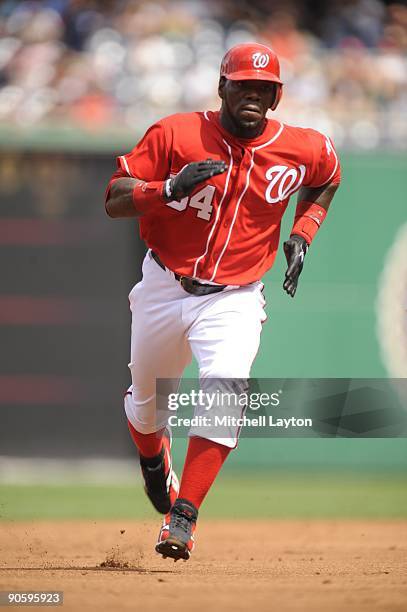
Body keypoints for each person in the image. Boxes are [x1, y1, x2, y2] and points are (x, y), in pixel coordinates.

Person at [104, 42, 341, 562]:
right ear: (222, 87)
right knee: (147, 410)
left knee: (225, 391)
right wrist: (165, 187)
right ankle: (152, 456)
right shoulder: (176, 132)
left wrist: (304, 230)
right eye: (243, 84)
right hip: (165, 285)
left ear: (276, 96)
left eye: (264, 88)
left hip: (234, 297)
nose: (253, 94)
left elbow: (328, 175)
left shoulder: (301, 147)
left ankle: (182, 518)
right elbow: (114, 197)